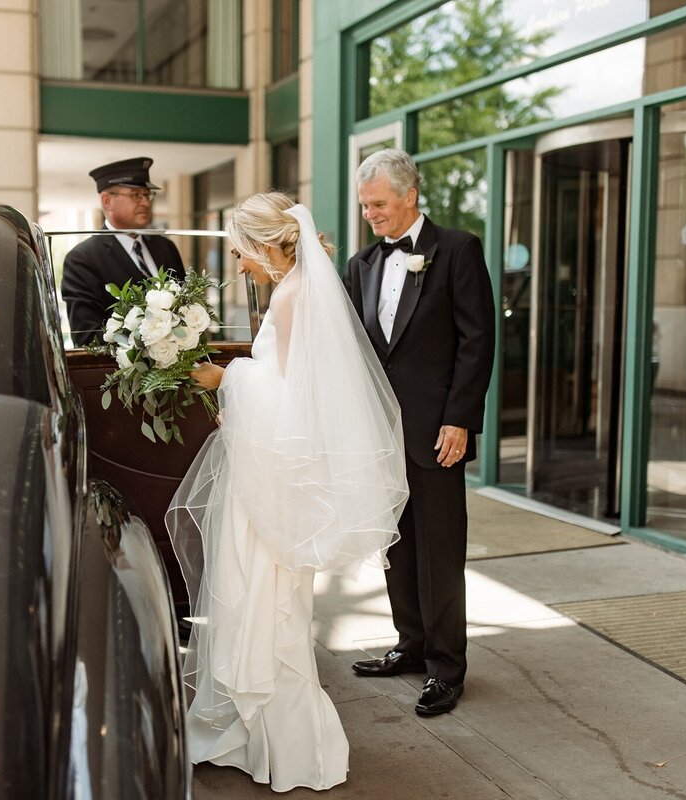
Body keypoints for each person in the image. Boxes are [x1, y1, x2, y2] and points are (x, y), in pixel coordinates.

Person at [167, 193, 408, 792]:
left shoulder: (297, 295)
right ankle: (255, 739)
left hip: (274, 477)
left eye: (241, 251)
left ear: (264, 243)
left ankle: (295, 748)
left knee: (267, 602)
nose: (239, 264)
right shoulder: (295, 289)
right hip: (265, 472)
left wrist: (227, 379)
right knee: (257, 600)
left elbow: (299, 400)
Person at [344, 149, 495, 717]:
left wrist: (459, 418)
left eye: (379, 204)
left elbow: (477, 342)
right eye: (365, 207)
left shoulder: (457, 250)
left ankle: (446, 669)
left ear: (410, 196)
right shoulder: (361, 264)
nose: (371, 215)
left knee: (439, 552)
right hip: (380, 435)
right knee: (397, 547)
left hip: (437, 433)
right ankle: (409, 645)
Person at [61, 157, 186, 346]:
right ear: (107, 201)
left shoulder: (165, 247)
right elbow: (87, 337)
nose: (145, 202)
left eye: (147, 195)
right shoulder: (83, 259)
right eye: (136, 195)